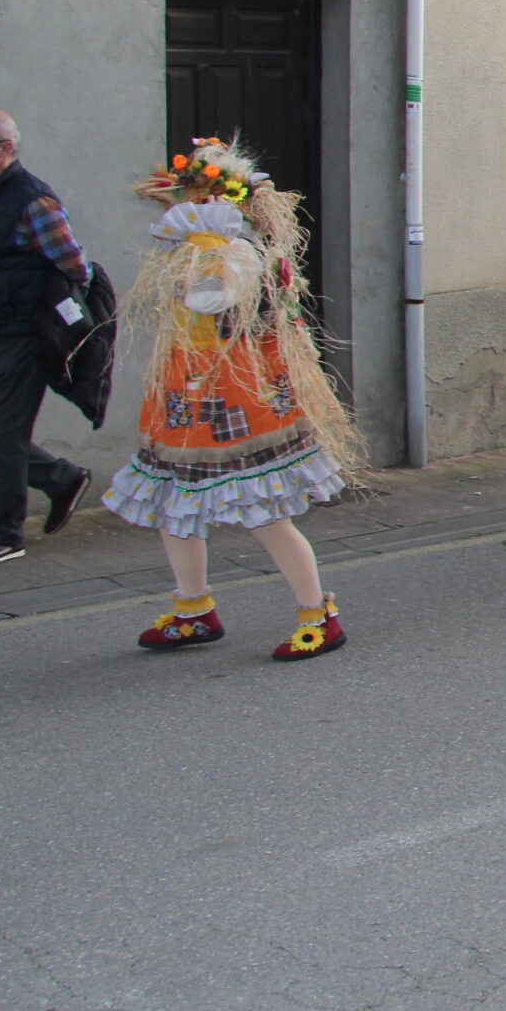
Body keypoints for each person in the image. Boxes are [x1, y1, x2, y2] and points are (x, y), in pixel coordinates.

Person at [105, 140, 360, 660]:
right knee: (174, 504)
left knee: (263, 509)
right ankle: (193, 608)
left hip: (236, 395)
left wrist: (199, 247)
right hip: (187, 390)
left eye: (196, 195)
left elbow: (210, 298)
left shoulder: (237, 251)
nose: (187, 203)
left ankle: (318, 614)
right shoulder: (201, 245)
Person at [0, 109, 94, 569]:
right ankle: (61, 478)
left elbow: (76, 266)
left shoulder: (32, 201)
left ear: (5, 149)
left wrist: (44, 308)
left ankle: (6, 534)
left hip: (20, 338)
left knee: (5, 437)